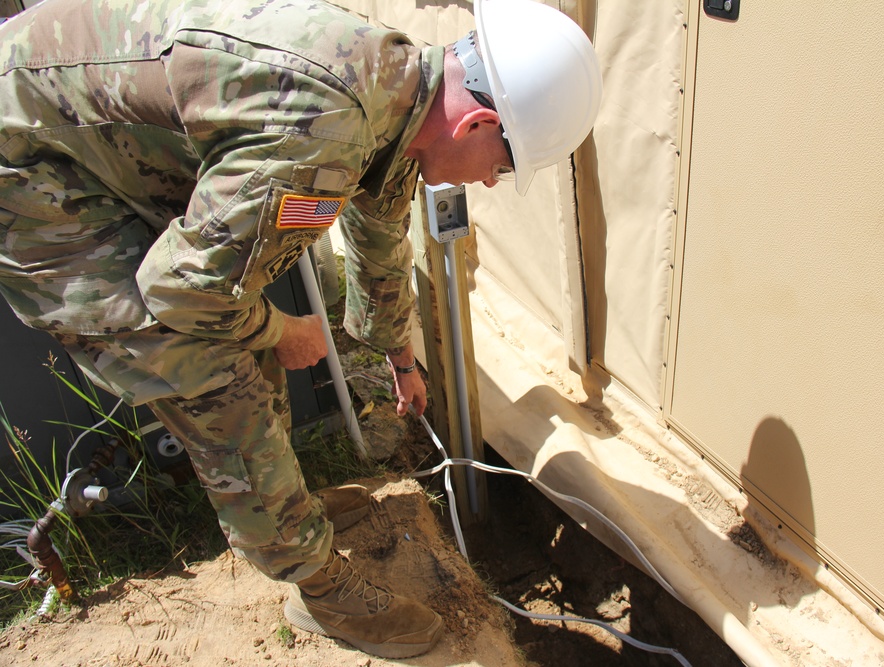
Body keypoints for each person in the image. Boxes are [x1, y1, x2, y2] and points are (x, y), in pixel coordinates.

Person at [0, 0, 601, 659]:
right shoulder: (325, 126)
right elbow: (181, 294)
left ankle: (289, 506)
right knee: (206, 358)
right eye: (504, 166)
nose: (490, 179)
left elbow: (379, 231)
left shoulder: (400, 84)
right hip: (29, 160)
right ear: (479, 122)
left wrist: (398, 352)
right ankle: (318, 585)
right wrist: (281, 329)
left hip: (87, 129)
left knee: (238, 316)